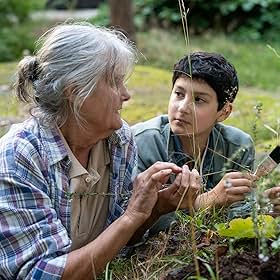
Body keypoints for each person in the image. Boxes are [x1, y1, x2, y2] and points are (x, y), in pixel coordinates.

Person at [0, 23, 201, 279]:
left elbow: (116, 247)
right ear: (75, 91)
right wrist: (131, 216)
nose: (126, 95)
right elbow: (38, 274)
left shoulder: (118, 140)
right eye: (115, 82)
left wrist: (156, 208)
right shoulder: (20, 156)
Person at [132, 51, 256, 234]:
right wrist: (207, 201)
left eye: (198, 100)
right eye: (179, 94)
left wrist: (265, 206)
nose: (182, 108)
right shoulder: (141, 142)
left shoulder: (238, 146)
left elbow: (240, 215)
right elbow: (131, 226)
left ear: (224, 112)